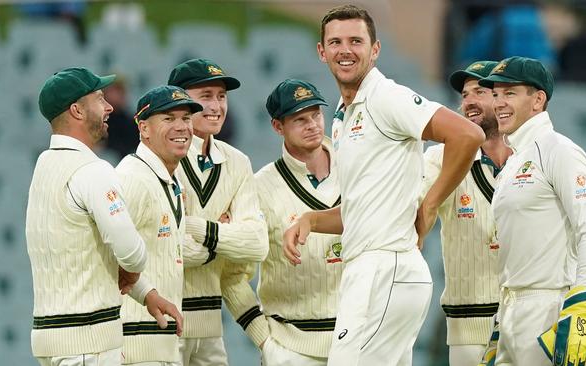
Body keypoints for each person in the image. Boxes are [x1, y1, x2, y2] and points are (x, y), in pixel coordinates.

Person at [283, 5, 485, 365]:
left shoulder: (385, 96)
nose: (345, 50)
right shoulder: (343, 119)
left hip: (385, 269)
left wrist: (430, 204)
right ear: (322, 51)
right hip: (371, 270)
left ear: (375, 50)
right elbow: (363, 210)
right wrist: (312, 220)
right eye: (336, 42)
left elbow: (467, 135)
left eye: (356, 41)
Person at [27, 67, 180, 366]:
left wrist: (146, 293)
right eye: (99, 98)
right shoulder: (93, 170)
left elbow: (86, 253)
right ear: (77, 111)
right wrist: (134, 268)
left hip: (51, 339)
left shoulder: (43, 166)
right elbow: (131, 254)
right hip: (88, 341)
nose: (110, 106)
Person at [476, 56, 586, 365]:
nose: (499, 103)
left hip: (549, 308)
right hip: (511, 310)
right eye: (495, 94)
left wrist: (582, 305)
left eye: (510, 93)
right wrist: (501, 324)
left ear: (538, 100)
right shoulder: (513, 163)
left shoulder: (559, 150)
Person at [167, 58, 269, 366]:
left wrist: (197, 227)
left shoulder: (238, 163)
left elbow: (256, 244)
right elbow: (167, 248)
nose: (217, 106)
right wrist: (223, 240)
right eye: (206, 96)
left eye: (221, 96)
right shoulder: (159, 158)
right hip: (158, 328)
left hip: (210, 331)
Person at [241, 78, 343, 365]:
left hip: (356, 342)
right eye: (300, 119)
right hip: (290, 347)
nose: (312, 125)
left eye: (316, 115)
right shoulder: (259, 187)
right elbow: (232, 274)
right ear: (278, 127)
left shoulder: (355, 169)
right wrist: (264, 340)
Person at [421, 60, 512, 366]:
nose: (469, 101)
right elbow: (410, 202)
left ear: (503, 99)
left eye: (480, 91)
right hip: (467, 324)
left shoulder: (535, 157)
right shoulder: (439, 158)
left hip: (528, 319)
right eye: (464, 94)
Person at [116, 85, 201, 365]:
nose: (181, 127)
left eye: (186, 118)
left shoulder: (167, 177)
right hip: (134, 347)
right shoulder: (132, 179)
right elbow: (108, 257)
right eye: (168, 118)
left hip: (159, 343)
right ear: (144, 128)